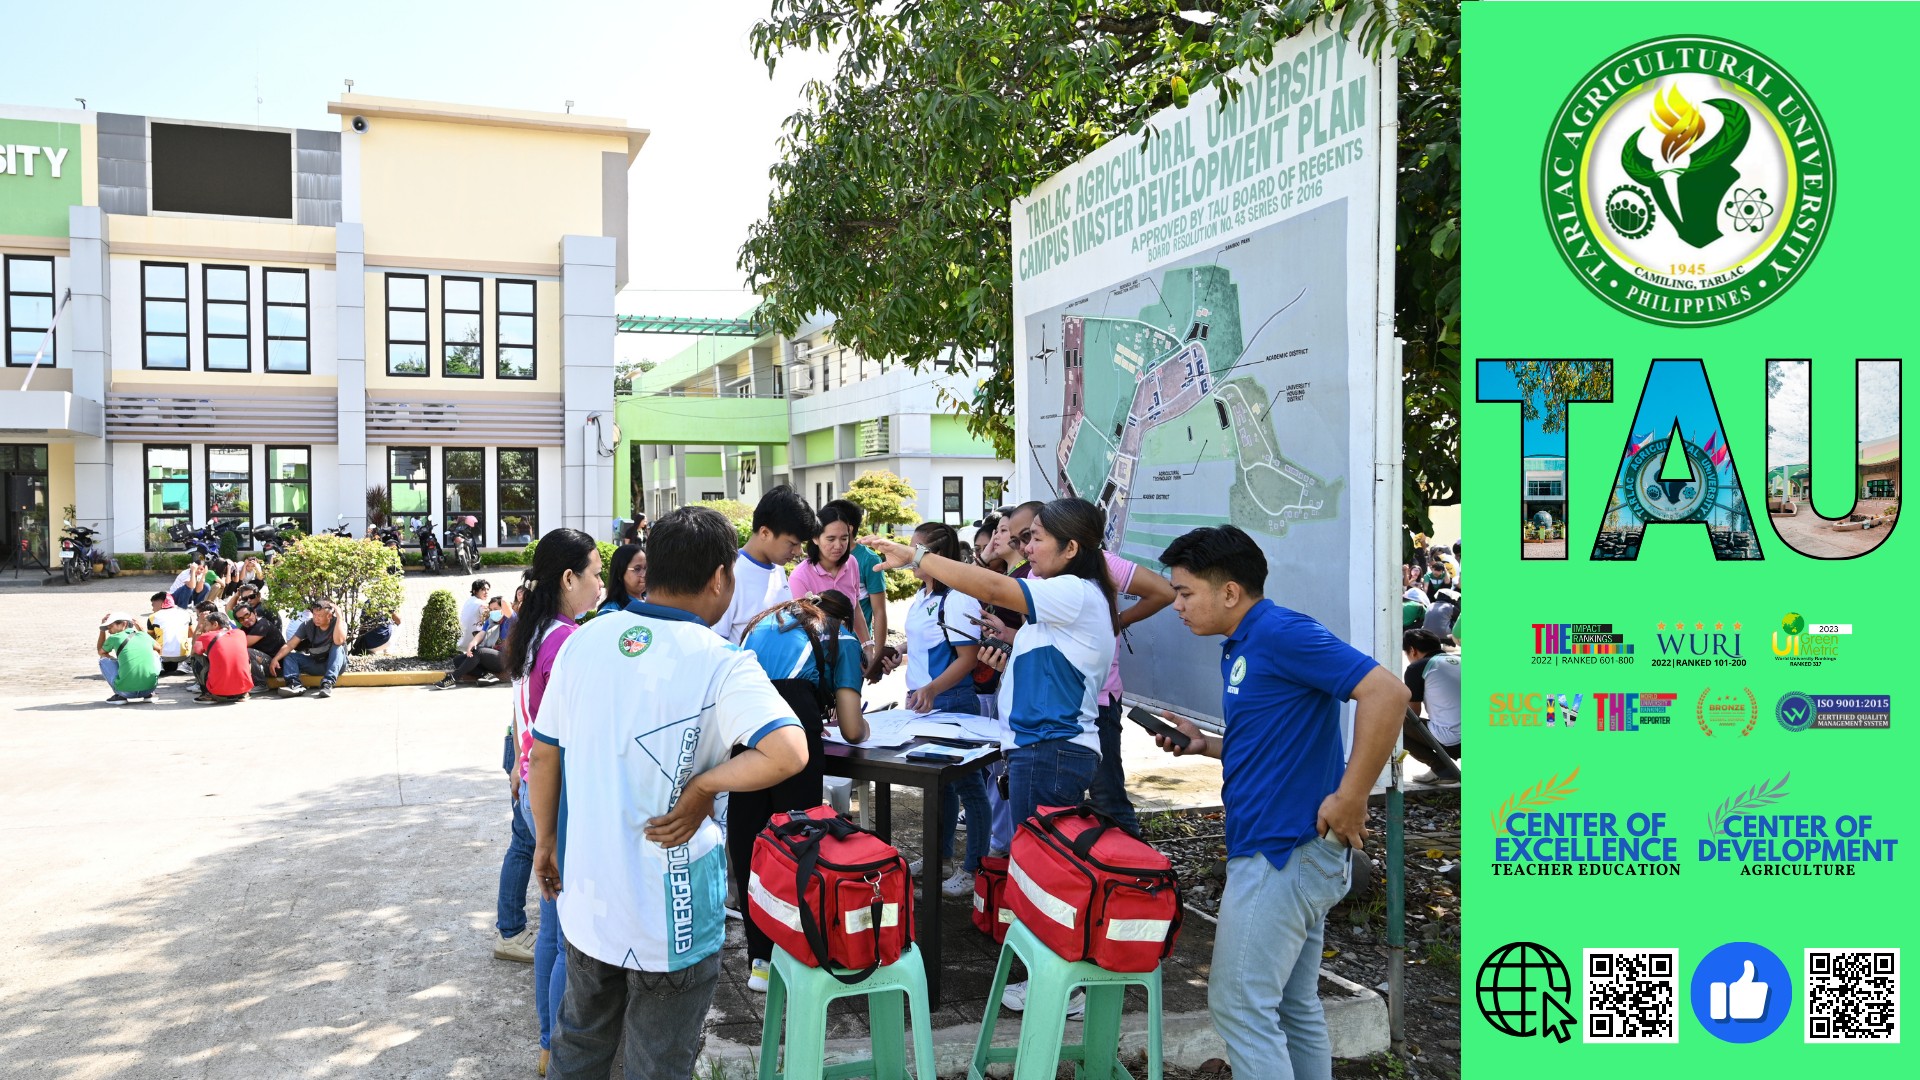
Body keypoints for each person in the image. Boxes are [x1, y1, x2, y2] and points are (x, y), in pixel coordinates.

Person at [528, 506, 809, 1080]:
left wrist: (546, 840)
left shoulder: (584, 641)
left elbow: (544, 752)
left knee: (578, 1043)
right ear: (720, 578)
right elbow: (790, 751)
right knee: (660, 1063)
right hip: (671, 915)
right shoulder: (723, 663)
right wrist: (706, 783)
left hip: (589, 895)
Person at [1151, 525, 1407, 1080]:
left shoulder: (1280, 632)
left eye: (1185, 592)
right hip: (1282, 848)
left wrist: (1352, 796)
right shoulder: (1244, 643)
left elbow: (1388, 692)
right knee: (1292, 1006)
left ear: (1229, 592)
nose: (1177, 605)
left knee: (1239, 1007)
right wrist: (1206, 744)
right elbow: (1275, 737)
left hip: (1282, 851)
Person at [864, 498, 1117, 1016]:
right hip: (1038, 749)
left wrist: (918, 559)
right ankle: (1053, 975)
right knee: (1039, 869)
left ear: (1072, 548)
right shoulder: (1064, 596)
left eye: (1037, 538)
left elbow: (998, 587)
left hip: (1052, 751)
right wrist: (1009, 644)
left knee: (1045, 875)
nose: (1027, 547)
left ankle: (1058, 986)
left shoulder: (1071, 591)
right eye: (1026, 538)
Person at [498, 529, 605, 1073]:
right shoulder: (568, 641)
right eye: (594, 573)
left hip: (535, 788)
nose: (601, 584)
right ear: (569, 578)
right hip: (559, 796)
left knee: (552, 930)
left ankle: (547, 1041)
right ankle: (558, 1046)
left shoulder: (531, 628)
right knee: (567, 938)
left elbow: (523, 721)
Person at [730, 589, 871, 993]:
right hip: (795, 734)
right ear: (844, 619)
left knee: (750, 843)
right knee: (796, 844)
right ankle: (799, 949)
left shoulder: (765, 622)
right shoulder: (840, 638)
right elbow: (851, 727)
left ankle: (760, 959)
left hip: (745, 724)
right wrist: (865, 727)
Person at [896, 522, 995, 897]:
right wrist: (898, 654)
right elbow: (926, 643)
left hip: (952, 703)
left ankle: (974, 869)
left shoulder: (959, 598)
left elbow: (968, 658)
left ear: (935, 556)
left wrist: (933, 688)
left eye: (915, 550)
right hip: (925, 704)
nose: (908, 557)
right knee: (939, 790)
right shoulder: (925, 595)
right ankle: (940, 860)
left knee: (970, 789)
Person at [711, 484, 818, 644]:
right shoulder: (730, 575)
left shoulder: (778, 567)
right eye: (792, 543)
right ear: (765, 533)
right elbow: (717, 643)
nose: (798, 551)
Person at [785, 501, 876, 654]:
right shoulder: (799, 577)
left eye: (844, 538)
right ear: (815, 538)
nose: (838, 545)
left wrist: (867, 646)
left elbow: (856, 607)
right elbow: (801, 629)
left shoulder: (852, 563)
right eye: (831, 539)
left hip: (850, 651)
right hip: (818, 659)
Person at [825, 498, 891, 676]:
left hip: (855, 648)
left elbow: (879, 611)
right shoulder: (824, 555)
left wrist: (876, 654)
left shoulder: (868, 560)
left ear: (849, 528)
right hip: (825, 648)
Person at [1401, 628, 1462, 784]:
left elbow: (1413, 714)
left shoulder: (1417, 668)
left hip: (1453, 741)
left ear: (1412, 651)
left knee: (1395, 721)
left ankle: (1442, 769)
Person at [271, 599, 348, 698]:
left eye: (319, 616)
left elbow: (339, 641)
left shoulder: (339, 624)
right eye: (314, 615)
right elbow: (290, 645)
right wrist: (275, 659)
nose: (316, 618)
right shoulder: (307, 625)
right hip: (318, 663)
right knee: (290, 656)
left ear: (329, 616)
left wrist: (339, 617)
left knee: (337, 647)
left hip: (336, 665)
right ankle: (294, 685)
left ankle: (327, 684)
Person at [437, 596, 511, 688]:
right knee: (458, 660)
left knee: (479, 652)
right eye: (491, 609)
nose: (493, 612)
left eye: (496, 609)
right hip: (490, 656)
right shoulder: (490, 621)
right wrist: (472, 643)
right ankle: (487, 675)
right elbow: (482, 633)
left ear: (503, 609)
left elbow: (506, 603)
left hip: (505, 660)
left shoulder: (510, 620)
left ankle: (452, 679)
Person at [191, 607, 254, 703]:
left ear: (215, 624)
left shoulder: (206, 636)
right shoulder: (240, 633)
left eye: (206, 625)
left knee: (195, 658)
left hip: (218, 692)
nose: (205, 628)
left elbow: (193, 651)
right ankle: (244, 693)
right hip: (243, 689)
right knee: (243, 655)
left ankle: (207, 694)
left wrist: (200, 627)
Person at [97, 612, 159, 704]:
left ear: (123, 624)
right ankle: (149, 694)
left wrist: (102, 631)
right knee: (155, 653)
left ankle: (120, 696)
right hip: (149, 689)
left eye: (110, 627)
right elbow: (158, 648)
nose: (109, 631)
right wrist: (142, 631)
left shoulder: (114, 638)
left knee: (103, 659)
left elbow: (100, 651)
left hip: (126, 692)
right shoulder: (143, 635)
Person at [236, 604, 284, 692]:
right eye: (241, 619)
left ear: (254, 613)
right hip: (264, 663)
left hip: (278, 667)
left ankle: (261, 684)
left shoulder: (263, 624)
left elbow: (242, 644)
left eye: (247, 615)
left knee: (247, 651)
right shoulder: (245, 628)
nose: (245, 619)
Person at [148, 592, 196, 675]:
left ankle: (159, 665)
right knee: (192, 640)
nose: (152, 609)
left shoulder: (153, 617)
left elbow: (150, 638)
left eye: (153, 605)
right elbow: (192, 634)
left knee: (148, 642)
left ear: (161, 602)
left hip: (162, 656)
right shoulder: (185, 614)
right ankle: (184, 664)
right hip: (183, 655)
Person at [597, 543, 647, 615]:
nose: (644, 574)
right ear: (620, 573)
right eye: (637, 569)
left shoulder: (654, 604)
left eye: (646, 568)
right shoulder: (611, 611)